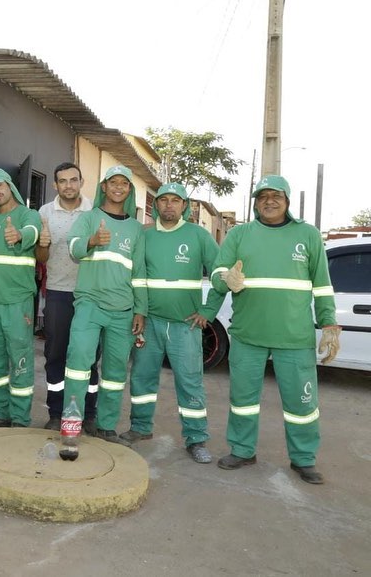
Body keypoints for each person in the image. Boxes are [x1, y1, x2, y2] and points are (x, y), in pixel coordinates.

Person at [211, 175, 339, 484]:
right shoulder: (239, 235)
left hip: (294, 338)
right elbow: (217, 272)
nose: (269, 200)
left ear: (287, 201)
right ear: (255, 202)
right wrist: (226, 279)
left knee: (302, 405)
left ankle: (303, 458)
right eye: (263, 195)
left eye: (276, 195)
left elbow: (322, 286)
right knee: (242, 400)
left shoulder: (307, 235)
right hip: (247, 335)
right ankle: (242, 450)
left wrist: (330, 323)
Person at [119, 182, 223, 463]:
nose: (168, 205)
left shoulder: (198, 236)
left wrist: (208, 311)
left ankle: (196, 439)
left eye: (174, 200)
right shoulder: (145, 235)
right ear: (156, 205)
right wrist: (138, 311)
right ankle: (140, 428)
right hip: (149, 322)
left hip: (185, 325)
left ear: (184, 206)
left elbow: (221, 274)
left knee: (190, 382)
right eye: (163, 200)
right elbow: (135, 276)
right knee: (141, 377)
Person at [63, 165, 147, 445]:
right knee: (78, 364)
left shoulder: (136, 228)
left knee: (114, 373)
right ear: (104, 187)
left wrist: (140, 310)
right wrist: (92, 240)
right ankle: (71, 425)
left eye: (124, 183)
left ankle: (106, 426)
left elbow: (139, 273)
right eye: (113, 182)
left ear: (129, 189)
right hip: (89, 304)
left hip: (122, 311)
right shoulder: (89, 218)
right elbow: (73, 247)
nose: (119, 187)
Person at [0, 168, 42, 428]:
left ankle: (21, 419)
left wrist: (20, 235)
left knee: (21, 362)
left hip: (18, 302)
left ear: (10, 186)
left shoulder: (28, 215)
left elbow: (33, 231)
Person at [35, 162, 99, 431]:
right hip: (59, 293)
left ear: (81, 182)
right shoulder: (45, 212)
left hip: (90, 294)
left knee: (89, 357)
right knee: (56, 355)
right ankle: (56, 411)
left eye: (74, 180)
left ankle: (89, 413)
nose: (69, 185)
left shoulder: (94, 211)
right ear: (55, 185)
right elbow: (40, 259)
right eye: (63, 181)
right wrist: (42, 243)